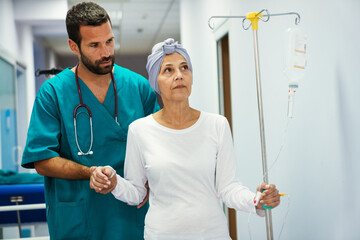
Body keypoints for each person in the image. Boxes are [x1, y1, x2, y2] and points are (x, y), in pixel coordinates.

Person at [90, 38, 281, 240]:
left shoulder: (217, 125)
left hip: (212, 234)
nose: (179, 75)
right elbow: (137, 192)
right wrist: (114, 182)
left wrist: (256, 200)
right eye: (168, 70)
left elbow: (228, 188)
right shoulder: (140, 130)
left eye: (184, 68)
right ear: (156, 82)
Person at [21, 2, 159, 239]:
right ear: (73, 46)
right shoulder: (53, 93)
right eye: (94, 45)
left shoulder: (138, 87)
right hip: (78, 216)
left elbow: (158, 146)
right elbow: (41, 159)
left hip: (129, 214)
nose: (106, 52)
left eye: (109, 41)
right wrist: (89, 173)